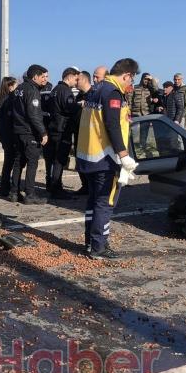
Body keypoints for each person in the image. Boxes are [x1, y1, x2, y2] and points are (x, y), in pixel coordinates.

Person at [76, 57, 139, 260]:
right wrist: (124, 155)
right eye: (131, 80)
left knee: (93, 201)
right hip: (105, 157)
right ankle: (99, 247)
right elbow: (112, 125)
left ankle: (90, 243)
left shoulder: (96, 89)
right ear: (127, 75)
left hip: (88, 155)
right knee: (105, 203)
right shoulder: (112, 92)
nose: (131, 84)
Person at [10, 64, 50, 204]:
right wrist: (43, 132)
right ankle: (30, 194)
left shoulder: (18, 89)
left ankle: (14, 192)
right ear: (35, 77)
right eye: (42, 76)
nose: (44, 79)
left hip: (18, 131)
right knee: (32, 163)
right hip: (29, 133)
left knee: (18, 162)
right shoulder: (32, 90)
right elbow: (33, 115)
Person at [44, 67, 81, 198]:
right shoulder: (65, 91)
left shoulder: (55, 90)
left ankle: (52, 185)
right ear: (69, 77)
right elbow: (69, 109)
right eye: (76, 79)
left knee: (54, 160)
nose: (76, 82)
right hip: (62, 130)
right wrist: (79, 105)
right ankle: (56, 188)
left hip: (54, 128)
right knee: (59, 161)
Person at [0, 76, 18, 200]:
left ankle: (4, 186)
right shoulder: (8, 100)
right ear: (10, 87)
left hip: (4, 135)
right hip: (10, 135)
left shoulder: (0, 100)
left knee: (8, 162)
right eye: (15, 85)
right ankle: (7, 187)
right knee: (11, 162)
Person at [73, 71, 93, 195]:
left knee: (90, 161)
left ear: (85, 80)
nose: (75, 82)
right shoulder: (79, 96)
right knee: (79, 160)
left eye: (77, 80)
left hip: (90, 135)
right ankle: (85, 185)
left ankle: (91, 186)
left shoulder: (94, 95)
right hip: (78, 132)